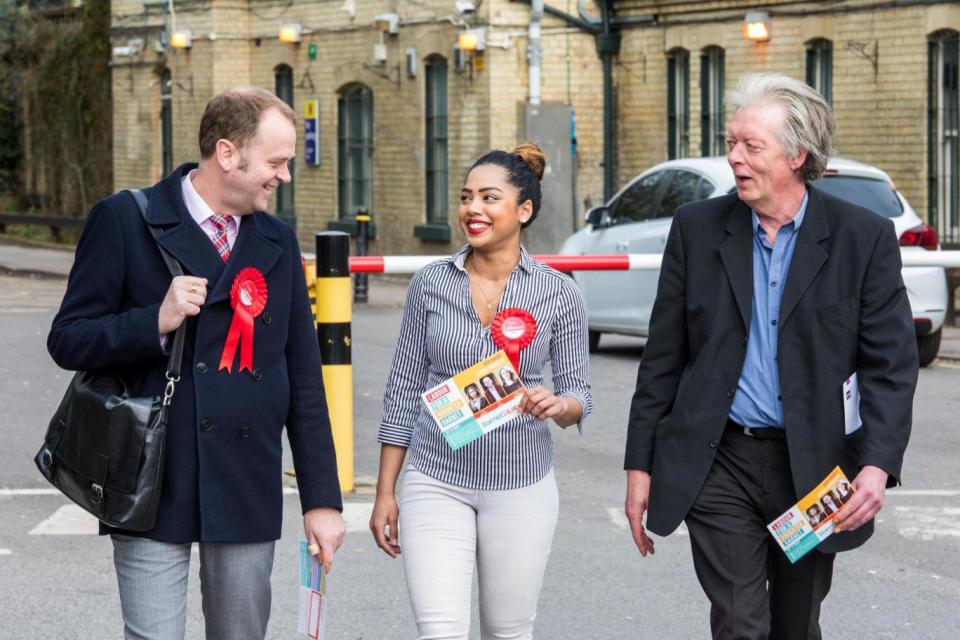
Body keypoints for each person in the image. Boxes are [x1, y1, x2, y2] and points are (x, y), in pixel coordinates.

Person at [623, 72, 918, 640]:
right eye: (731, 141)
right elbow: (662, 358)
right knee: (739, 623)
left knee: (795, 624)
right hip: (721, 461)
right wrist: (641, 466)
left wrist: (878, 465)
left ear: (795, 154)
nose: (733, 156)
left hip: (814, 469)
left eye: (750, 145)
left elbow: (891, 366)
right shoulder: (697, 229)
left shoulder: (864, 238)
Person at [47, 87, 345, 640]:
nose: (283, 176)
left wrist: (322, 500)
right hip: (150, 476)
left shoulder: (277, 240)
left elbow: (304, 382)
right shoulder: (123, 219)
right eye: (276, 162)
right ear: (228, 154)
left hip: (245, 478)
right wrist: (152, 321)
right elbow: (67, 339)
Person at [369, 142, 592, 640]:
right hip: (435, 479)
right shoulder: (429, 284)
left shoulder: (560, 293)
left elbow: (579, 394)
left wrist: (559, 405)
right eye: (466, 197)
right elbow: (402, 390)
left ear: (524, 210)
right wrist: (385, 491)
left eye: (490, 198)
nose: (473, 209)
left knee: (505, 631)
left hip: (521, 486)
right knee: (440, 631)